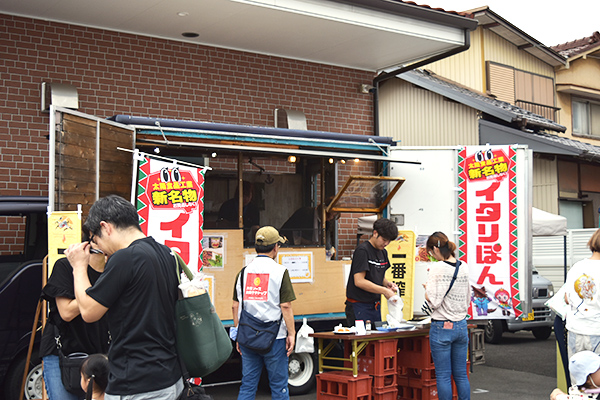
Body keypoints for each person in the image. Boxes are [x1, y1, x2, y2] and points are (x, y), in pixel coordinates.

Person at [65, 195, 184, 400]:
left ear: (106, 227)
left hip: (137, 382)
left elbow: (88, 311)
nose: (100, 249)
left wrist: (78, 267)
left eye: (96, 241)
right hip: (170, 375)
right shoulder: (165, 253)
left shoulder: (125, 257)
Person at [40, 237, 110, 400]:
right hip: (62, 350)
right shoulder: (66, 266)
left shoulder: (114, 270)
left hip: (99, 351)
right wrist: (103, 288)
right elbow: (66, 312)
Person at [232, 226, 296, 400]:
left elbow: (235, 306)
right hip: (275, 338)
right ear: (275, 247)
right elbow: (286, 306)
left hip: (248, 336)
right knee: (279, 386)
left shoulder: (243, 272)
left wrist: (238, 333)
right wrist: (292, 333)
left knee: (248, 385)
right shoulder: (280, 272)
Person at [423, 231, 471, 400]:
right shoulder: (463, 266)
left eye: (430, 252)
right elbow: (467, 297)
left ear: (435, 249)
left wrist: (427, 290)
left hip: (442, 326)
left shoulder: (437, 268)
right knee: (461, 375)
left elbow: (434, 301)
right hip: (461, 325)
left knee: (443, 375)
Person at [345, 218, 398, 326]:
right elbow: (359, 281)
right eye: (384, 239)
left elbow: (378, 275)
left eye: (389, 241)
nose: (386, 243)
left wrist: (387, 284)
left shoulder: (383, 252)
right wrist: (384, 291)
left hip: (375, 305)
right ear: (375, 233)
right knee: (362, 341)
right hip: (359, 306)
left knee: (376, 339)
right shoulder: (362, 251)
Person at [564, 229, 600, 360]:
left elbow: (567, 298)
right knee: (596, 379)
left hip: (575, 329)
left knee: (579, 376)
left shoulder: (576, 267)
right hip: (596, 330)